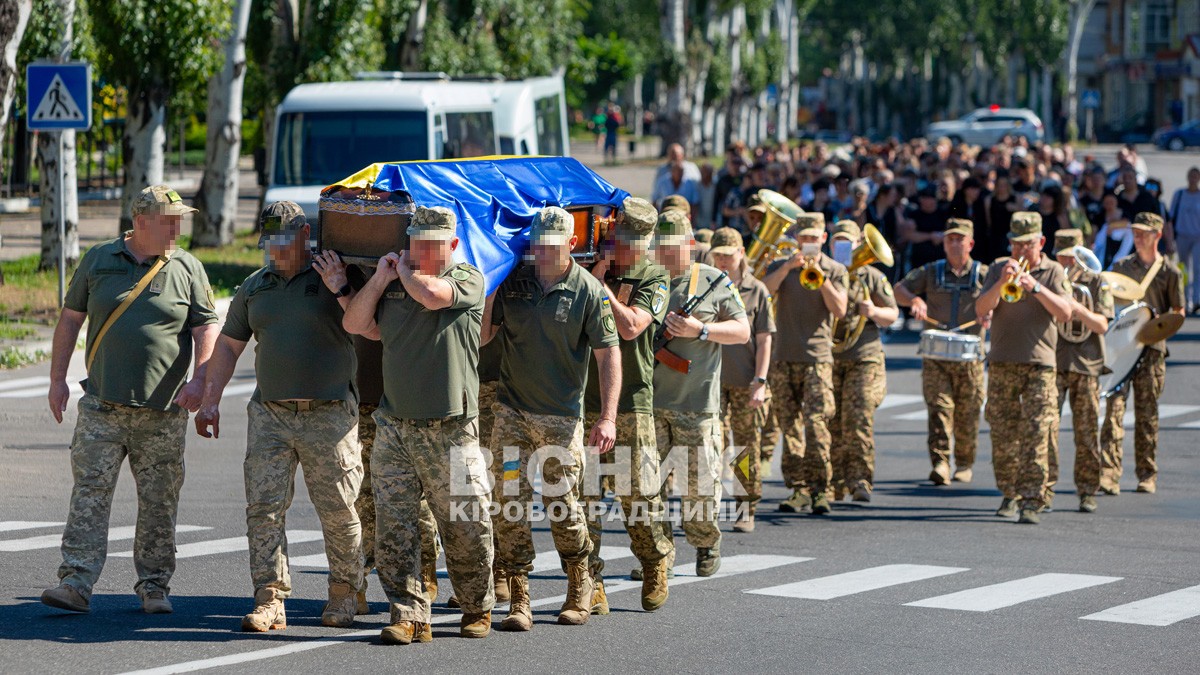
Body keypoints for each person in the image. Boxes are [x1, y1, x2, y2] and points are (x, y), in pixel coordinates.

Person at [41, 185, 218, 615]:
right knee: (90, 493)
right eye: (169, 221)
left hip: (162, 414)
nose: (177, 228)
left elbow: (206, 329)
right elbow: (70, 320)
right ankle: (76, 583)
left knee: (160, 501)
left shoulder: (188, 268)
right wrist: (57, 379)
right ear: (141, 223)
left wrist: (201, 382)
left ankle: (154, 587)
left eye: (180, 220)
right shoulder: (99, 260)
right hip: (103, 406)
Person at [195, 201, 364, 631]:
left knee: (339, 509)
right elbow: (229, 347)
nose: (275, 249)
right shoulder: (255, 286)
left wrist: (340, 285)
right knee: (264, 510)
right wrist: (210, 399)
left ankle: (345, 593)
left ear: (305, 235)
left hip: (328, 413)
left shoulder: (333, 274)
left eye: (283, 240)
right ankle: (270, 598)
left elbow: (366, 325)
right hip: (270, 415)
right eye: (268, 241)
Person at [342, 206, 495, 645]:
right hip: (395, 424)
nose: (421, 252)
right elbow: (355, 323)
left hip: (451, 427)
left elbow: (430, 295)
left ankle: (475, 604)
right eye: (415, 244)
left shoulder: (467, 278)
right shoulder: (394, 283)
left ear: (451, 245)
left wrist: (403, 272)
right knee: (395, 525)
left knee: (466, 523)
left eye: (430, 246)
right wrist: (379, 279)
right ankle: (409, 613)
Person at [480, 207, 621, 631]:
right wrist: (490, 284)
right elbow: (485, 335)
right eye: (537, 244)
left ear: (572, 246)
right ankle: (519, 596)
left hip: (561, 418)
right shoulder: (515, 282)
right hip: (511, 413)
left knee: (562, 506)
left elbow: (608, 353)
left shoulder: (588, 291)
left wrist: (608, 417)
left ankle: (580, 582)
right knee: (507, 505)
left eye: (552, 246)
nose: (542, 251)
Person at [583, 197, 673, 614]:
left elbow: (631, 325)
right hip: (582, 398)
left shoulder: (654, 276)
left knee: (636, 493)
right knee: (585, 499)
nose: (626, 249)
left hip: (632, 400)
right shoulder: (585, 263)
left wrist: (598, 287)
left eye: (634, 243)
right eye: (621, 239)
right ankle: (591, 581)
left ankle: (655, 562)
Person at [652, 210, 750, 574]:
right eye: (660, 245)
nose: (665, 253)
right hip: (651, 402)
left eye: (673, 245)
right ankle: (657, 555)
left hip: (697, 403)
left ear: (690, 245)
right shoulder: (649, 280)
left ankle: (706, 543)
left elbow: (742, 332)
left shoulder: (712, 281)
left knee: (700, 486)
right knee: (650, 487)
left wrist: (701, 331)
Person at [976, 212, 1073, 525]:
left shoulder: (1054, 271)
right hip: (1002, 362)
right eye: (1015, 244)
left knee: (1035, 433)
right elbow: (981, 308)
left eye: (1027, 245)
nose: (1020, 251)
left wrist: (1035, 287)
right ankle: (1010, 492)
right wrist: (1003, 281)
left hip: (1039, 365)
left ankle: (1032, 499)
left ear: (1041, 242)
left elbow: (1066, 312)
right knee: (1003, 433)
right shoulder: (997, 268)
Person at [761, 212, 849, 515]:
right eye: (805, 238)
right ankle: (797, 488)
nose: (809, 243)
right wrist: (787, 267)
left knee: (816, 424)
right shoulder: (781, 266)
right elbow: (765, 293)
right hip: (784, 357)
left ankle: (820, 489)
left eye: (814, 238)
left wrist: (821, 280)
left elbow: (840, 309)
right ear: (797, 239)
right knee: (790, 426)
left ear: (824, 238)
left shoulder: (835, 270)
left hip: (817, 359)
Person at [895, 220, 989, 485]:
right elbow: (899, 289)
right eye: (950, 239)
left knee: (968, 412)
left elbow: (1003, 297)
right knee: (938, 409)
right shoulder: (931, 271)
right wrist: (914, 300)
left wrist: (991, 310)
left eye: (960, 239)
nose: (955, 244)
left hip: (969, 356)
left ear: (970, 243)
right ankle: (940, 462)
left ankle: (965, 463)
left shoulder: (983, 273)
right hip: (937, 354)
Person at [1099, 212, 1185, 495]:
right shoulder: (1122, 266)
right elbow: (1109, 300)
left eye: (1143, 233)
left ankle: (1147, 474)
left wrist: (1160, 326)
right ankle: (1109, 474)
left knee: (1147, 415)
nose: (1137, 237)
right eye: (1135, 232)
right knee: (1113, 411)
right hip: (1122, 348)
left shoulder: (1169, 272)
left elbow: (1179, 312)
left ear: (1157, 236)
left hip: (1152, 349)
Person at [709, 227, 774, 532]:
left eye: (727, 254)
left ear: (740, 253)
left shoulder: (756, 289)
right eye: (717, 254)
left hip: (745, 379)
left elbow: (764, 340)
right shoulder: (706, 286)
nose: (722, 260)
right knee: (713, 445)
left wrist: (760, 380)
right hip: (711, 380)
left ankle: (745, 507)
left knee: (745, 448)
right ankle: (706, 508)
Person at [828, 222, 899, 502]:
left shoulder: (871, 276)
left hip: (863, 356)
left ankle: (860, 480)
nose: (843, 248)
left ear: (858, 243)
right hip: (830, 357)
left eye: (848, 242)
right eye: (838, 243)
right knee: (830, 420)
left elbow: (893, 314)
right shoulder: (823, 273)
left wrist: (874, 311)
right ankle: (833, 480)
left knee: (858, 418)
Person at [1046, 230, 1112, 514]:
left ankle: (1087, 491)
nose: (1067, 261)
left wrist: (1075, 309)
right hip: (1054, 361)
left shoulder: (1096, 281)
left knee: (1086, 433)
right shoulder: (1050, 278)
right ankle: (1043, 490)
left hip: (1086, 363)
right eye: (1062, 255)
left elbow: (1102, 325)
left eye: (1071, 255)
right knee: (1046, 431)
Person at [1167, 167, 1200, 313]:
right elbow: (1171, 216)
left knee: (1198, 269)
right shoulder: (1179, 194)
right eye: (1191, 176)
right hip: (1182, 236)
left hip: (1197, 237)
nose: (1193, 179)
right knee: (1183, 269)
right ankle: (1186, 300)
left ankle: (1197, 299)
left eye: (1196, 177)